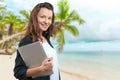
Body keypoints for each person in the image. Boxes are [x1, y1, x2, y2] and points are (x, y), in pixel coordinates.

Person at [14, 2, 60, 80]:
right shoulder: (27, 41)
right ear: (35, 18)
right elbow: (18, 72)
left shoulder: (46, 39)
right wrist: (41, 69)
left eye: (49, 18)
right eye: (42, 17)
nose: (46, 21)